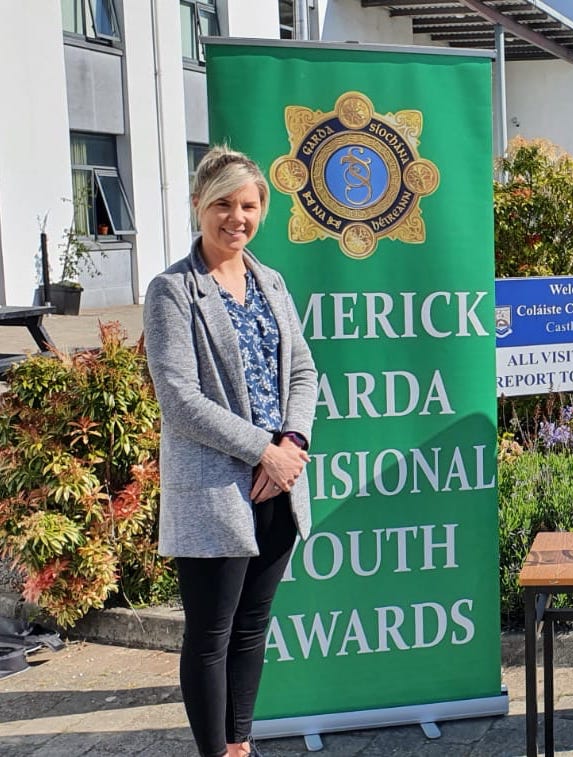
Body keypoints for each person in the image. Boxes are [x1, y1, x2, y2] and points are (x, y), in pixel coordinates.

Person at [143, 146, 317, 757]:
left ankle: (240, 743)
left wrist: (292, 443)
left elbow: (302, 370)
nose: (235, 217)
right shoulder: (172, 292)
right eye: (222, 203)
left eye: (247, 205)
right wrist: (262, 452)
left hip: (280, 485)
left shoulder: (271, 282)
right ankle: (214, 752)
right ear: (198, 205)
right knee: (211, 635)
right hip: (218, 489)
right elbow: (180, 399)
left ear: (261, 210)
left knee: (251, 630)